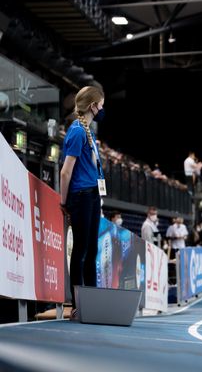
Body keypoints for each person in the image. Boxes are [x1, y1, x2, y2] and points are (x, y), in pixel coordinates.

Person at [59, 85, 106, 320]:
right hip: (80, 196)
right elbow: (66, 172)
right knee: (80, 250)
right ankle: (77, 303)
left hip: (92, 194)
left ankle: (92, 301)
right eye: (101, 105)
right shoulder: (77, 131)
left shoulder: (88, 131)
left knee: (92, 249)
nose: (102, 109)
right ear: (92, 106)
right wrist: (63, 201)